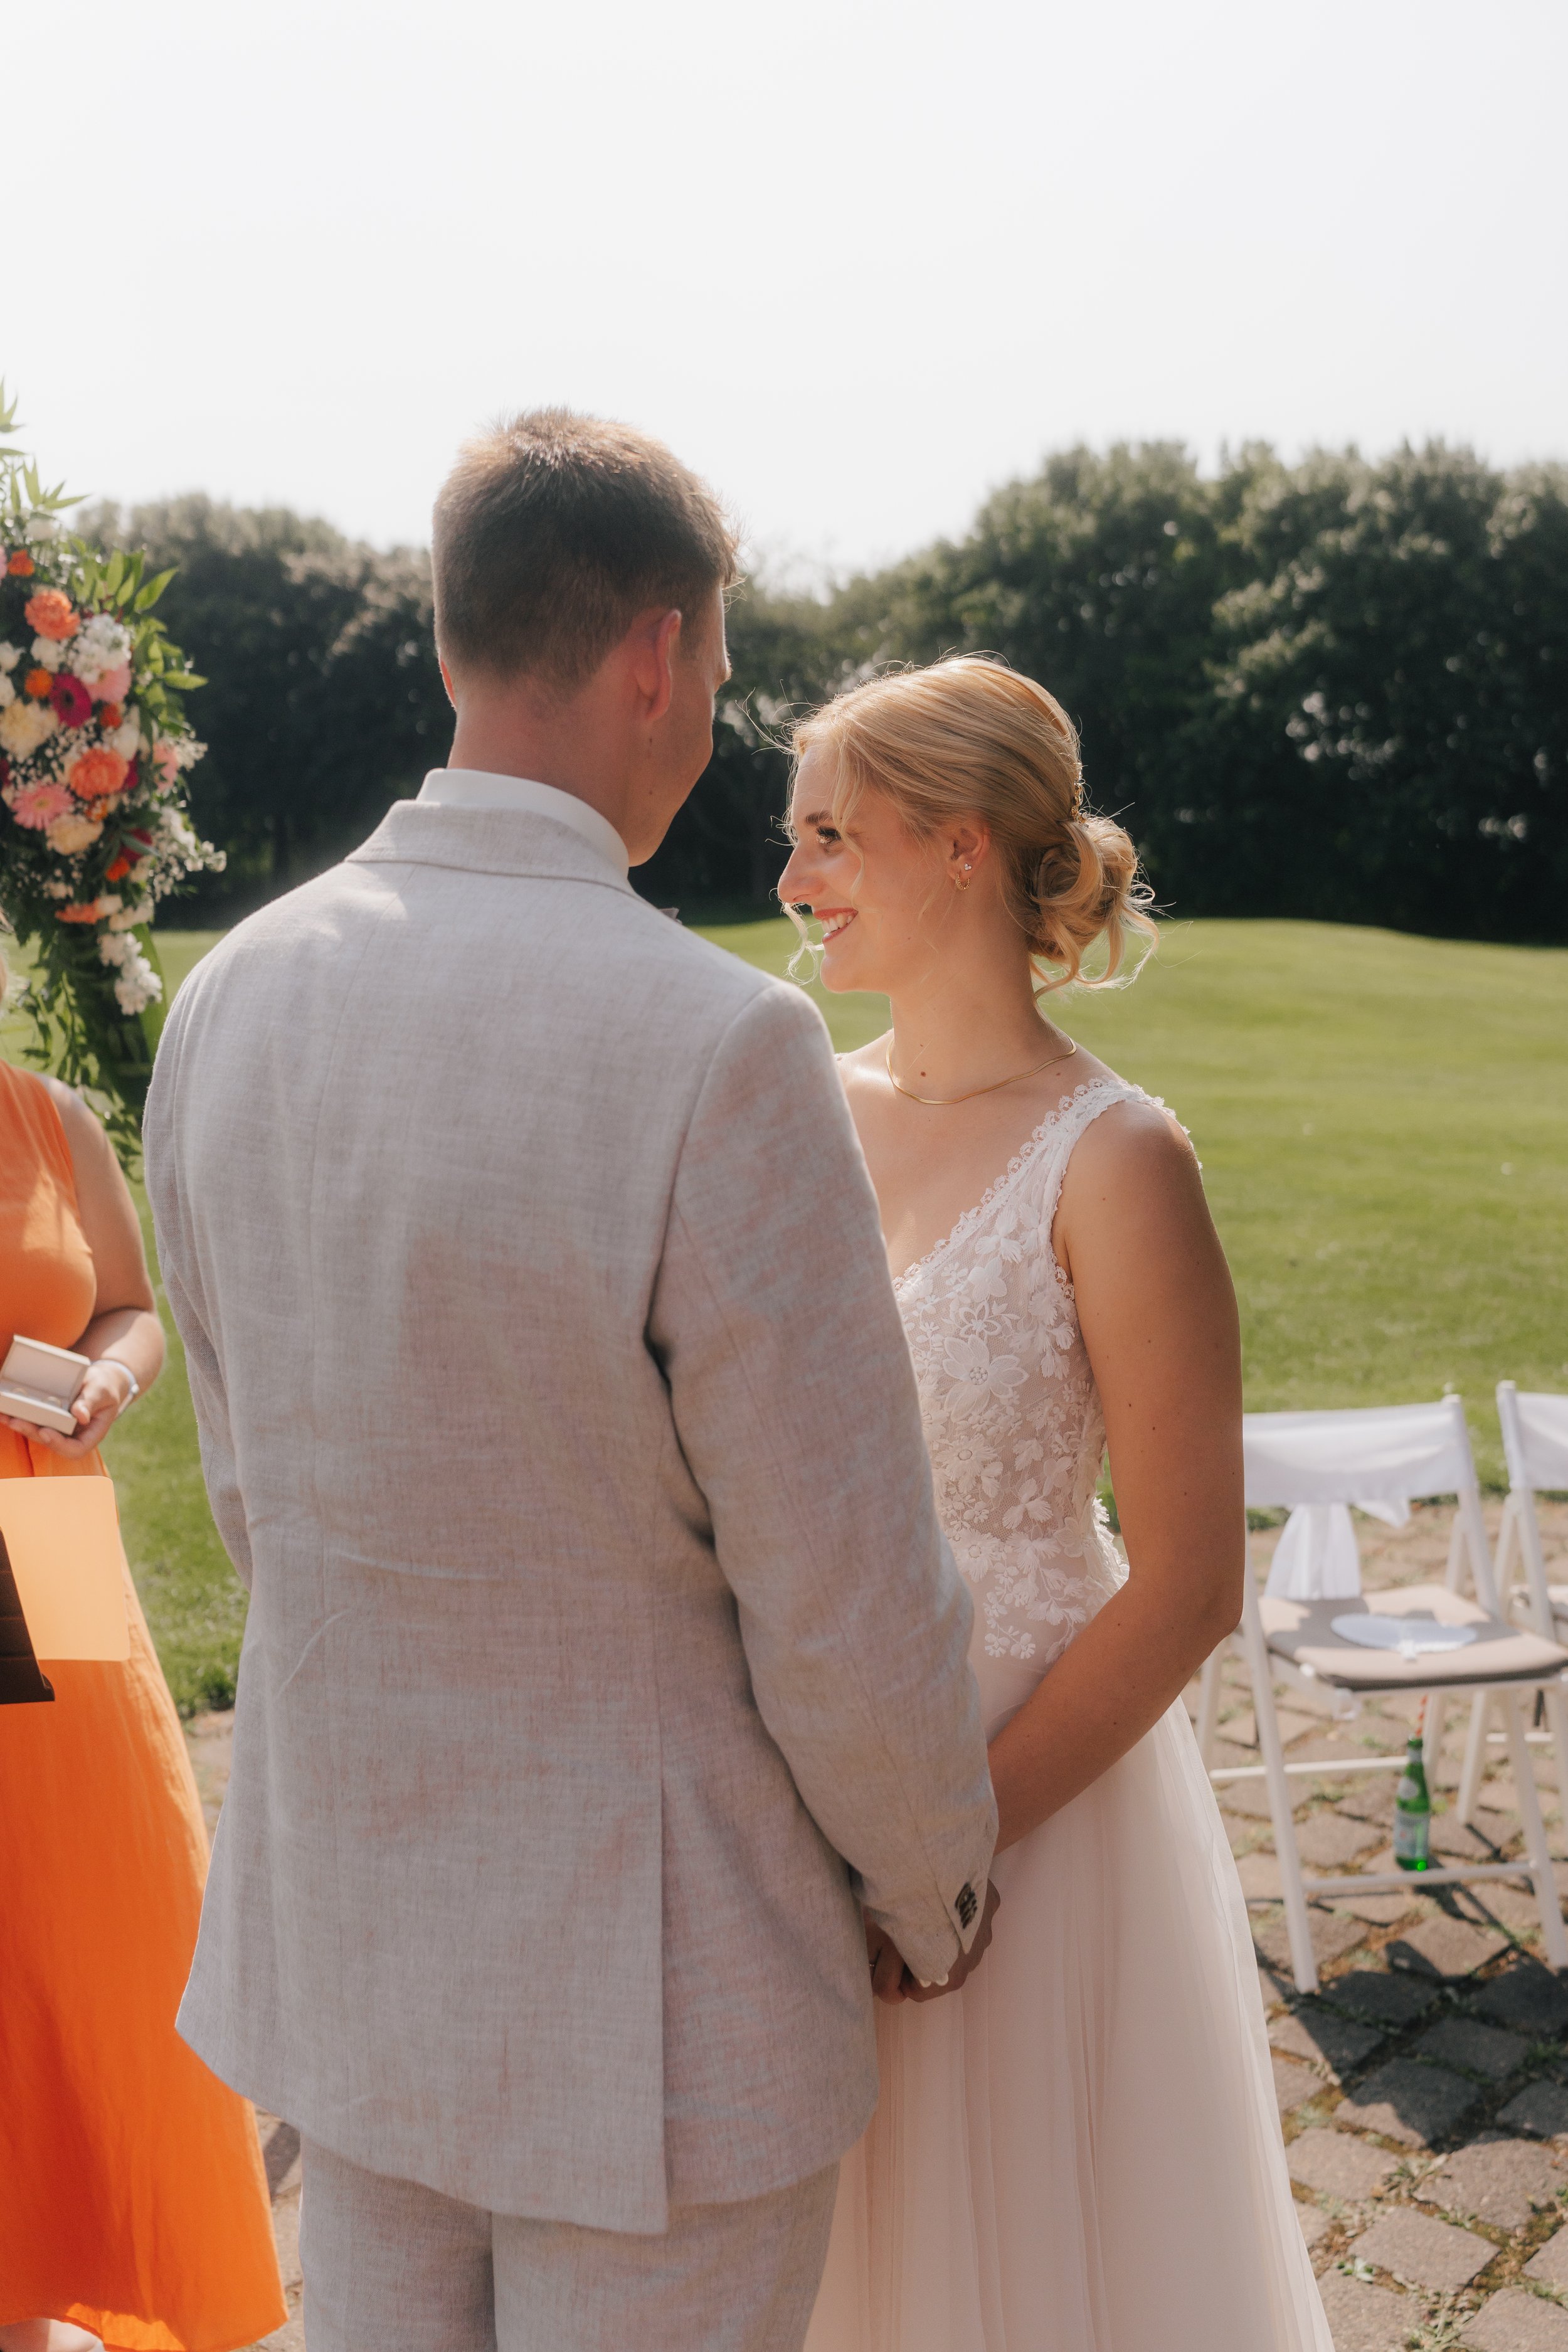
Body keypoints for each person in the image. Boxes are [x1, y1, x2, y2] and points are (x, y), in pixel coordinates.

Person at [143, 411, 999, 2352]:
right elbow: (842, 1591)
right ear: (655, 652)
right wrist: (934, 1878)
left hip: (350, 1951)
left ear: (453, 645)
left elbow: (251, 1497)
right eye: (715, 664)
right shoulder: (720, 1043)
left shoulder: (229, 996)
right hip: (659, 2016)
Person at [781, 658, 1332, 2352]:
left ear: (958, 845)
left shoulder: (1118, 1156)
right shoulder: (792, 1098)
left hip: (1030, 1807)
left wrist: (950, 1844)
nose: (791, 882)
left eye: (827, 836)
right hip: (801, 1780)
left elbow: (1182, 1581)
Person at [0, 1008, 285, 2352]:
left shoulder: (51, 1118)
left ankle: (80, 2253)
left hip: (49, 1538)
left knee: (95, 1903)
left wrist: (111, 1375)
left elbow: (128, 1306)